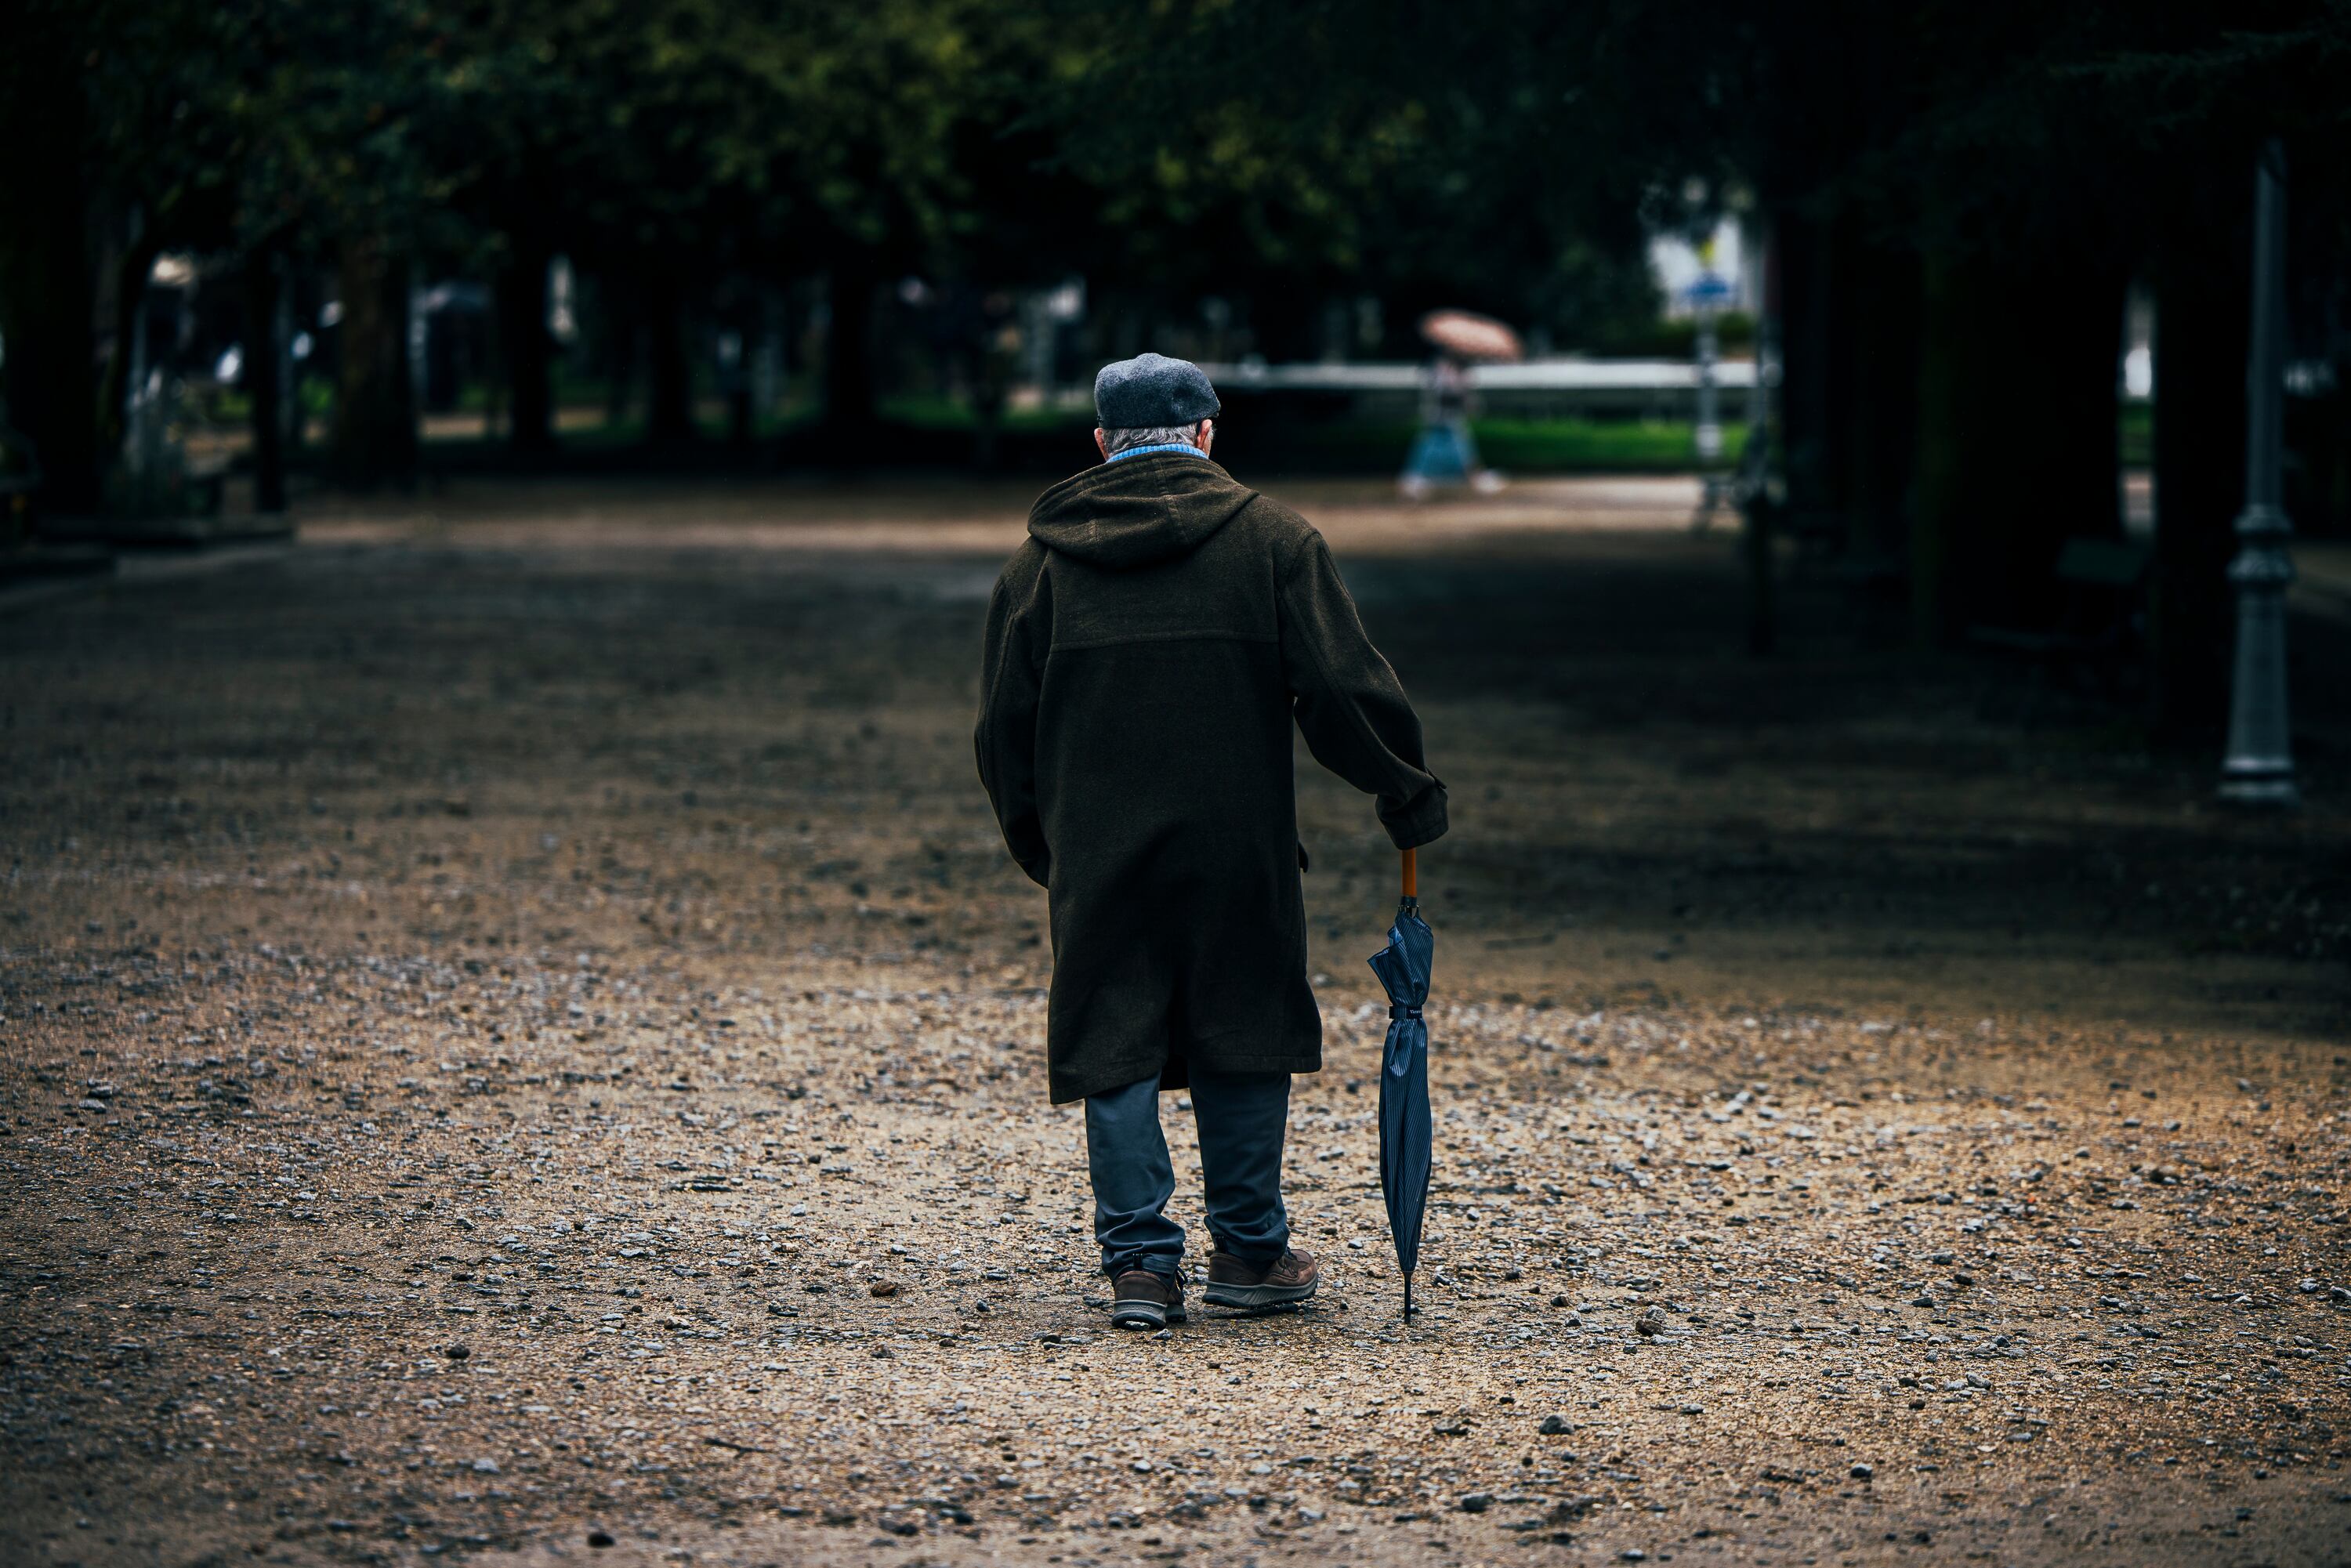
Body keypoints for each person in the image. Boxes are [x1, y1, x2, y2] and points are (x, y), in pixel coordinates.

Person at [976, 352, 1449, 1331]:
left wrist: (1048, 850)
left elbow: (1002, 740)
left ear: (1103, 443)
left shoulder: (1040, 567)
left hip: (1099, 848)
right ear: (1204, 433)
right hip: (1240, 845)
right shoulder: (1274, 543)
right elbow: (1345, 693)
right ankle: (1249, 1251)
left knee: (1113, 1032)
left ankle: (1142, 1267)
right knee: (1245, 1024)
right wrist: (1404, 792)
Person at [1398, 353, 1505, 499]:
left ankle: (1416, 477)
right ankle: (1415, 478)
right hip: (1439, 419)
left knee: (1453, 448)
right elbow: (1443, 393)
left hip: (1450, 420)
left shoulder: (1458, 371)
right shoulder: (1441, 369)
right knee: (1436, 448)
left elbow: (1464, 399)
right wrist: (1458, 386)